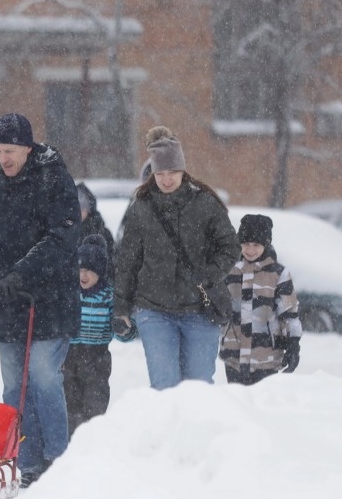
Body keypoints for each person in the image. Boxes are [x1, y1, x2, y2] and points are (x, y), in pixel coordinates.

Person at [0, 112, 81, 488]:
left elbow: (63, 237)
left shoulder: (53, 178)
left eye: (10, 150)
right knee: (14, 386)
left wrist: (22, 273)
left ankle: (58, 459)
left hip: (50, 299)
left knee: (43, 378)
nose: (4, 159)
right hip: (5, 302)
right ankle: (26, 460)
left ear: (27, 147)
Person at [114, 129, 240, 390]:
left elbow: (230, 247)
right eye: (160, 173)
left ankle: (196, 432)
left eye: (171, 172)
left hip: (200, 310)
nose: (166, 179)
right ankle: (168, 432)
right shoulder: (143, 207)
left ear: (182, 170)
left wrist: (209, 274)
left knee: (198, 387)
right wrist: (122, 308)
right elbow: (128, 261)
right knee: (164, 387)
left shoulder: (205, 203)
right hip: (154, 309)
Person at [63, 234, 134, 437]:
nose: (83, 275)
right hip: (68, 356)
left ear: (100, 272)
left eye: (90, 271)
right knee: (70, 404)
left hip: (97, 358)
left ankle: (92, 442)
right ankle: (70, 446)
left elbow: (126, 330)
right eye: (80, 269)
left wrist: (124, 328)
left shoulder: (109, 296)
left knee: (95, 405)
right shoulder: (69, 293)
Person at [219, 214, 302, 385]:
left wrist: (293, 345)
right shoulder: (229, 271)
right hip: (233, 355)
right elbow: (217, 303)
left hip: (267, 357)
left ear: (265, 244)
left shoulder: (279, 274)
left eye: (256, 245)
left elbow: (289, 313)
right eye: (246, 244)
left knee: (261, 407)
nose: (250, 250)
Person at [75, 182, 116, 278]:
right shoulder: (63, 233)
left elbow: (110, 265)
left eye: (81, 208)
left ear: (89, 209)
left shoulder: (102, 233)